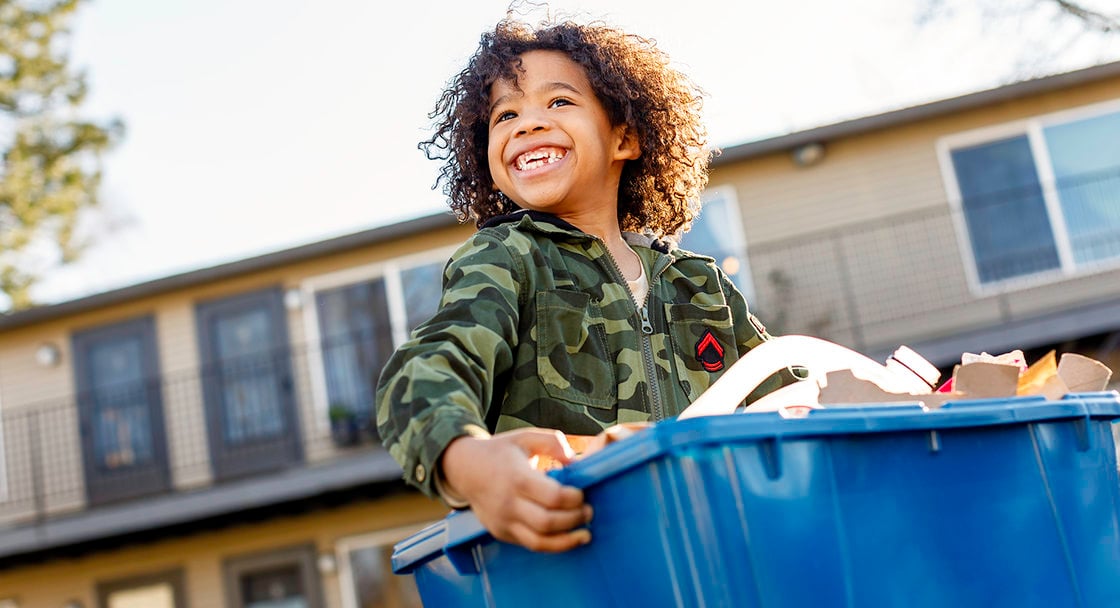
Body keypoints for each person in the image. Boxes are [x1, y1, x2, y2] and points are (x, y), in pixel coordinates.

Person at [375, 11, 796, 554]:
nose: (526, 123)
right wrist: (469, 463)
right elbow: (424, 371)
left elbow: (793, 401)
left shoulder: (702, 289)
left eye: (558, 102)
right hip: (576, 564)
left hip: (721, 555)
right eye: (505, 114)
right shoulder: (508, 258)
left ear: (624, 137)